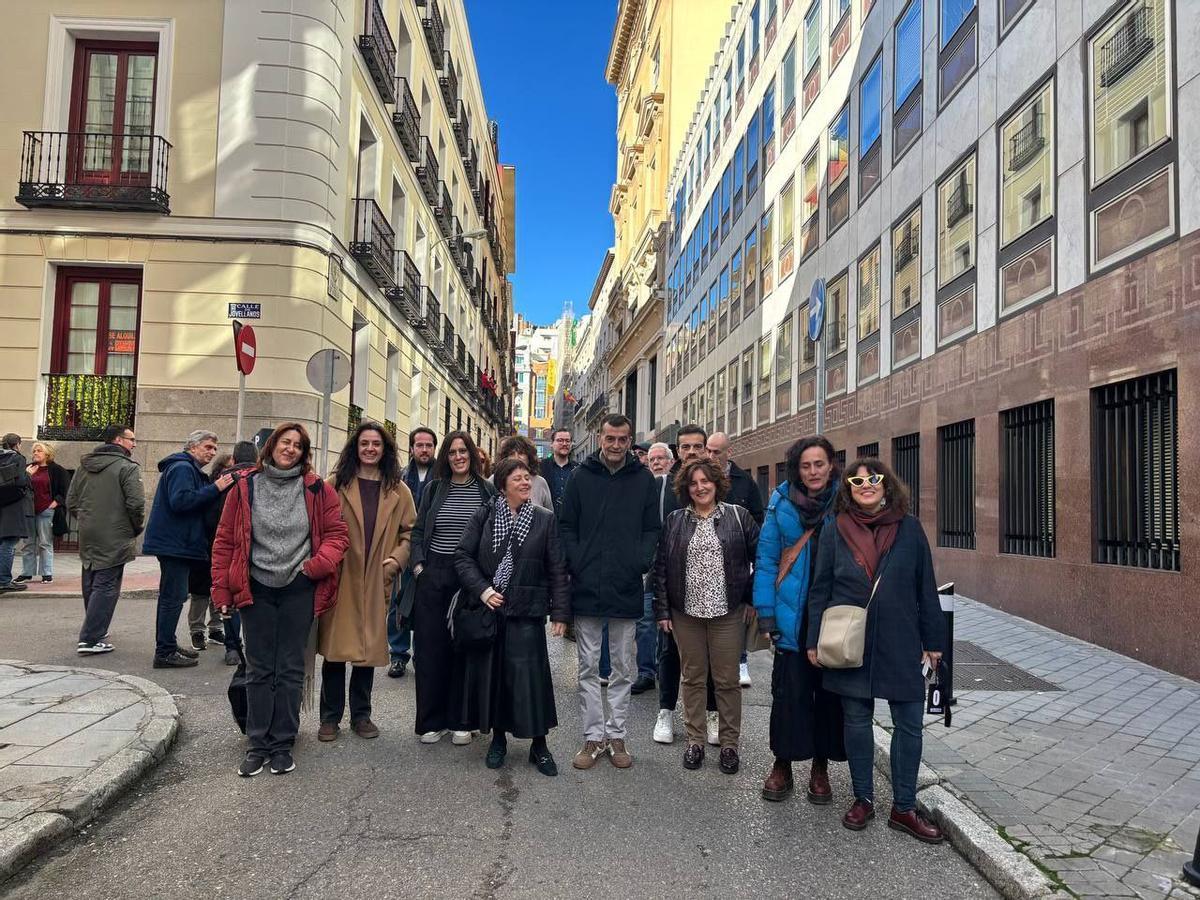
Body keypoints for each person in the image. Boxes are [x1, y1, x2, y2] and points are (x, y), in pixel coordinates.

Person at [806, 457, 946, 842]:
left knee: (909, 722)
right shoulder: (835, 529)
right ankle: (863, 799)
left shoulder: (909, 528)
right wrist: (813, 639)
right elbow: (820, 588)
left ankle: (903, 808)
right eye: (857, 480)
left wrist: (934, 642)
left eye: (873, 479)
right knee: (855, 719)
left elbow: (925, 587)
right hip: (851, 640)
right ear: (848, 488)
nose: (866, 485)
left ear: (887, 484)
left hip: (902, 638)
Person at [211, 423, 349, 777]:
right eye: (285, 443)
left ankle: (283, 743)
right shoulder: (244, 488)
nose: (290, 450)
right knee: (259, 669)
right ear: (271, 446)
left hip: (298, 587)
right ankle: (257, 744)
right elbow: (225, 542)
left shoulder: (317, 490)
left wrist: (316, 566)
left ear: (304, 454)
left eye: (298, 446)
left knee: (289, 669)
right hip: (254, 586)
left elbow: (337, 534)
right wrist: (221, 590)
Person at [454, 457, 570, 776]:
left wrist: (560, 612)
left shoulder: (544, 519)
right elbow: (463, 556)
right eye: (517, 479)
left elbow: (557, 568)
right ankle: (499, 740)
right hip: (493, 611)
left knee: (532, 682)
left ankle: (540, 745)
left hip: (528, 611)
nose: (525, 483)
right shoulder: (486, 514)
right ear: (503, 484)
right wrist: (482, 590)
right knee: (497, 679)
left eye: (527, 478)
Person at [560, 413, 660, 771]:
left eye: (622, 439)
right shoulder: (579, 477)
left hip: (626, 582)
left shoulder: (644, 480)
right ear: (599, 438)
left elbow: (652, 528)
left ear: (630, 441)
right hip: (587, 583)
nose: (616, 445)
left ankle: (617, 735)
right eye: (610, 438)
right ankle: (592, 736)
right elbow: (566, 525)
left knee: (622, 667)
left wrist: (640, 560)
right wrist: (577, 561)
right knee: (587, 667)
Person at [753, 435, 847, 805]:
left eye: (819, 464)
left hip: (832, 615)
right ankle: (782, 764)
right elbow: (766, 559)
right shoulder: (780, 503)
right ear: (797, 468)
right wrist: (765, 612)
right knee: (789, 695)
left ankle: (820, 768)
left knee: (827, 696)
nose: (813, 472)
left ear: (831, 465)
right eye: (806, 465)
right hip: (791, 614)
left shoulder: (846, 500)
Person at [655, 458, 759, 774]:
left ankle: (729, 746)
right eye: (694, 483)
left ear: (716, 483)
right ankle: (695, 741)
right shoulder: (675, 520)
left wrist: (752, 599)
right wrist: (662, 610)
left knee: (727, 681)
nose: (700, 487)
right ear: (686, 488)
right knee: (693, 678)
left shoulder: (738, 517)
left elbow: (763, 558)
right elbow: (661, 568)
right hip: (685, 613)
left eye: (706, 481)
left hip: (728, 612)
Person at [318, 422, 415, 741]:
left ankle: (361, 716)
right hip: (343, 575)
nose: (370, 449)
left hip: (377, 577)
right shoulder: (336, 483)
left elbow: (410, 533)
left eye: (376, 444)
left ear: (385, 449)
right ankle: (329, 718)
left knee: (367, 650)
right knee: (335, 650)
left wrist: (395, 562)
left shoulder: (399, 490)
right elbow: (319, 525)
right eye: (364, 444)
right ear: (355, 448)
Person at [408, 430, 496, 744]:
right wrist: (420, 568)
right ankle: (432, 721)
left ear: (472, 454)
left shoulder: (488, 491)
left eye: (463, 451)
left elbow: (495, 536)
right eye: (452, 452)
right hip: (435, 574)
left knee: (465, 648)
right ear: (445, 457)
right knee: (431, 649)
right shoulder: (433, 489)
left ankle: (463, 719)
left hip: (470, 577)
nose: (458, 456)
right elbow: (417, 533)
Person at [143, 430, 235, 668]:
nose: (212, 452)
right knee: (172, 599)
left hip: (177, 543)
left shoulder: (187, 469)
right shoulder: (183, 468)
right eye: (208, 447)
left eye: (215, 448)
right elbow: (181, 501)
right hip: (176, 544)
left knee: (173, 597)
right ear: (192, 447)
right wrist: (215, 488)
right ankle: (164, 651)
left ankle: (168, 645)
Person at [654, 424, 720, 746]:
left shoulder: (717, 485)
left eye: (697, 446)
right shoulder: (665, 487)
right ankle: (666, 710)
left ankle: (711, 712)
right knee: (669, 651)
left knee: (708, 654)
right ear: (677, 451)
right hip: (675, 586)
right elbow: (658, 542)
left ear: (707, 449)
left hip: (712, 586)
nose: (691, 452)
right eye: (685, 447)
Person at [69, 425, 145, 653]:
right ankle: (91, 638)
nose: (134, 444)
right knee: (107, 584)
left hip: (88, 530)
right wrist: (134, 526)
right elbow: (136, 504)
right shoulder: (127, 467)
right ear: (118, 440)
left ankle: (95, 628)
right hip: (115, 532)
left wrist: (86, 520)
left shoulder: (84, 466)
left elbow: (72, 501)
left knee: (91, 577)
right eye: (131, 439)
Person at [706, 432, 765, 689]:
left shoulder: (745, 482)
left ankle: (741, 661)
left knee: (737, 610)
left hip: (736, 558)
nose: (710, 456)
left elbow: (757, 516)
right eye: (708, 450)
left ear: (728, 452)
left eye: (716, 451)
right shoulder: (701, 478)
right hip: (706, 556)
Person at [203, 442, 259, 665]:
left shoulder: (219, 483)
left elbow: (209, 517)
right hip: (253, 548)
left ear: (234, 460)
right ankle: (254, 648)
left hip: (225, 546)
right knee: (254, 600)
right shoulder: (259, 480)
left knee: (231, 599)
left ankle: (233, 647)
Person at [388, 427, 437, 678]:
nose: (425, 450)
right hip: (404, 546)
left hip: (432, 551)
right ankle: (398, 654)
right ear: (411, 448)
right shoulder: (400, 476)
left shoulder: (442, 476)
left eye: (429, 445)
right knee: (398, 602)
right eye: (420, 445)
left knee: (426, 606)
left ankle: (423, 654)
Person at [630, 440, 676, 695]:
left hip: (674, 564)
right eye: (652, 458)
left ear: (670, 461)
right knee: (645, 618)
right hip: (648, 565)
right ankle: (645, 671)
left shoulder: (680, 487)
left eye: (661, 458)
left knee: (668, 621)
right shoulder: (641, 487)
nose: (657, 462)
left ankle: (665, 667)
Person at [15, 442, 69, 584]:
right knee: (28, 543)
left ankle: (47, 573)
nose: (36, 453)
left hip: (46, 510)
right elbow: (20, 487)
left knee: (45, 543)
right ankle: (27, 573)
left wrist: (55, 503)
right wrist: (27, 475)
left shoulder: (57, 470)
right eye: (34, 451)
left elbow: (65, 489)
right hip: (29, 511)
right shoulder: (29, 469)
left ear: (47, 454)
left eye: (39, 451)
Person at [0, 434, 31, 593]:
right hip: (12, 504)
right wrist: (28, 474)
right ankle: (4, 580)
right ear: (17, 444)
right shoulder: (18, 458)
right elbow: (20, 481)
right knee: (9, 543)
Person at [493, 435, 553, 511]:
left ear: (529, 457)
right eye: (512, 454)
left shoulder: (540, 482)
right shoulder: (494, 480)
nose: (516, 457)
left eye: (521, 453)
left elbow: (549, 516)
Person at [539, 428, 578, 515]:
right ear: (552, 444)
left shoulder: (578, 469)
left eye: (567, 441)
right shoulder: (540, 467)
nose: (564, 444)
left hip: (571, 521)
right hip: (547, 520)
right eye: (560, 440)